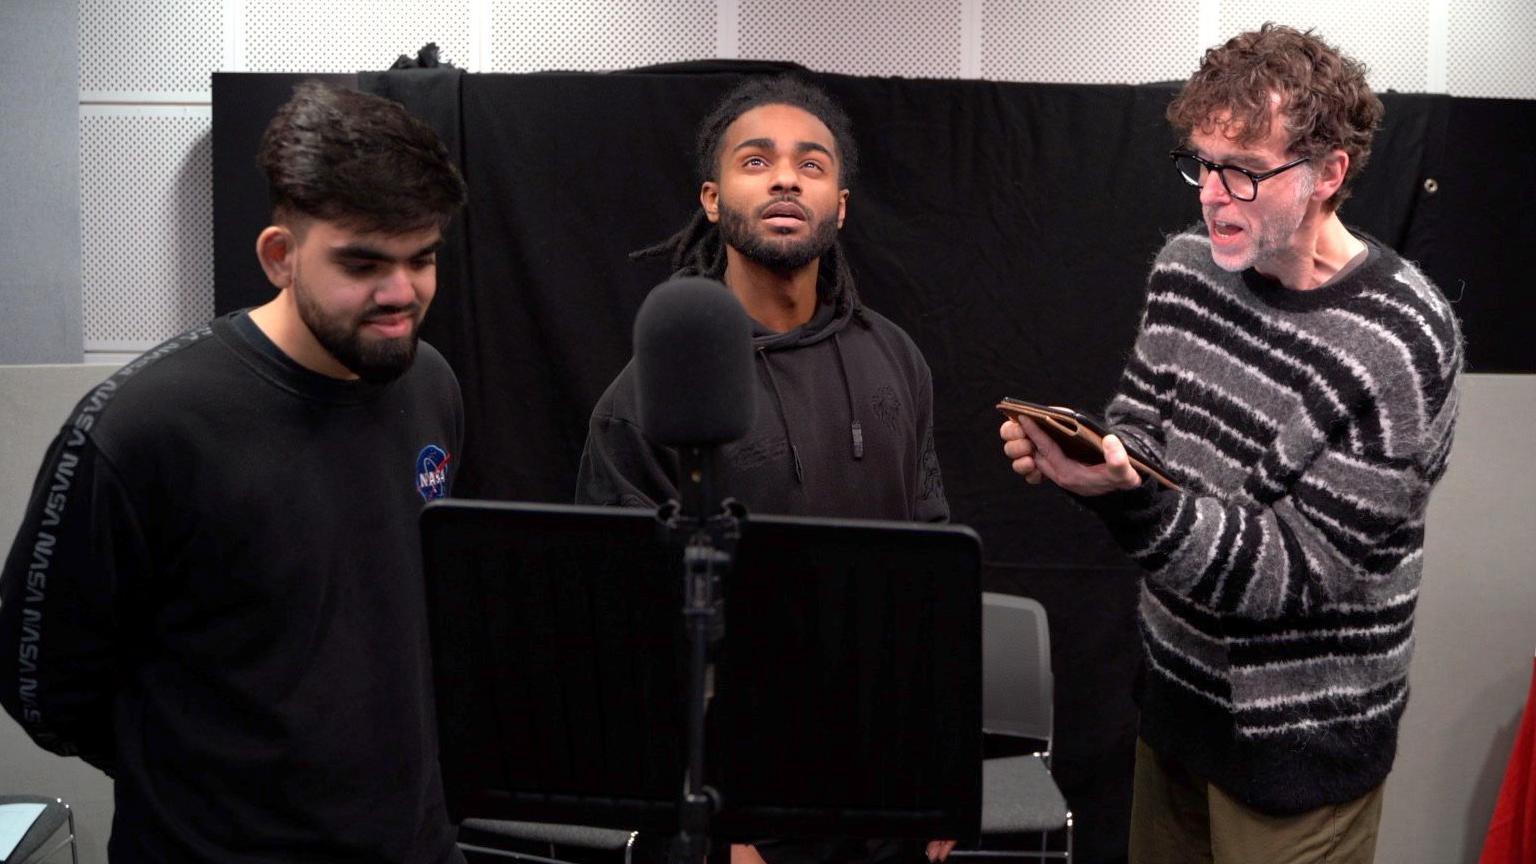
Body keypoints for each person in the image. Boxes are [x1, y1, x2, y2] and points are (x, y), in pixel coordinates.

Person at [999, 24, 1462, 864]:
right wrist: (1096, 460)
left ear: (1330, 175)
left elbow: (1299, 571)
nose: (1214, 194)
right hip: (1176, 709)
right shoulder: (1186, 270)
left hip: (1301, 754)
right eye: (1204, 162)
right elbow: (1144, 428)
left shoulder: (1401, 340)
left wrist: (1132, 499)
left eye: (1245, 171)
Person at [0, 81, 468, 862]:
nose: (401, 295)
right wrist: (202, 776)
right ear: (279, 257)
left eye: (421, 260)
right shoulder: (144, 427)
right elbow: (40, 684)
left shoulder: (431, 385)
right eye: (363, 264)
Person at [577, 77, 952, 863]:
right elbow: (626, 635)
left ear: (840, 205)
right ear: (713, 199)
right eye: (757, 160)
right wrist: (724, 829)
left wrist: (942, 766)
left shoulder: (897, 359)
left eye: (811, 165)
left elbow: (930, 569)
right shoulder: (650, 394)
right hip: (739, 809)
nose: (786, 177)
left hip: (887, 790)